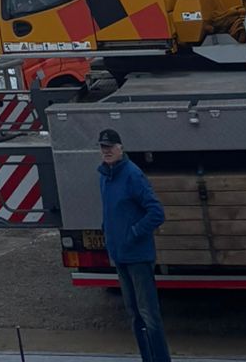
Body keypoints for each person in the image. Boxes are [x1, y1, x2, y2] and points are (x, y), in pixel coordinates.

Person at [97, 129, 171, 362]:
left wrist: (134, 233)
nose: (107, 151)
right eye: (103, 147)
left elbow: (156, 212)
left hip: (138, 256)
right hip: (119, 256)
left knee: (149, 315)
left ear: (121, 148)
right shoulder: (103, 176)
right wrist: (107, 232)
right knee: (135, 315)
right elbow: (111, 212)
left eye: (111, 146)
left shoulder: (132, 175)